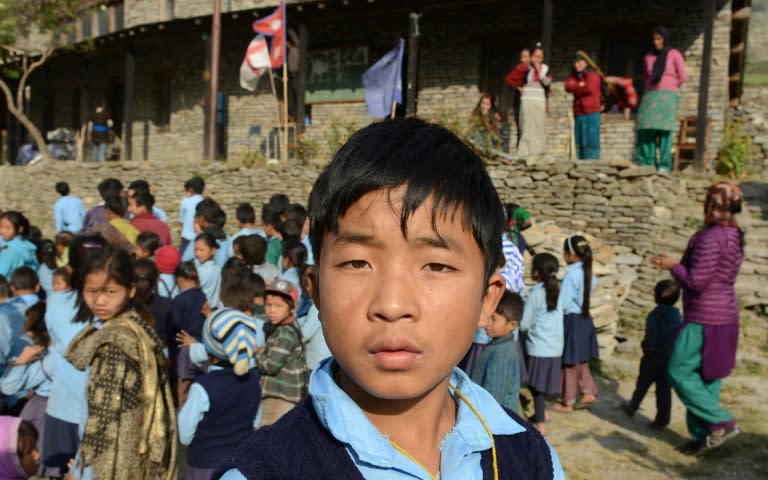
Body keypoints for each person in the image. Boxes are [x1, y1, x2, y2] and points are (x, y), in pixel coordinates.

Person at [215, 118, 564, 480]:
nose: (392, 305)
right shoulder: (263, 473)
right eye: (356, 262)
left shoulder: (532, 458)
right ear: (315, 290)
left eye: (437, 266)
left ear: (487, 300)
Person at [64, 246, 176, 480]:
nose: (99, 300)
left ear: (131, 290)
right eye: (91, 291)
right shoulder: (138, 329)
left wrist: (81, 471)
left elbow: (103, 422)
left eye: (111, 292)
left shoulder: (115, 345)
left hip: (118, 464)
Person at [649, 181, 744, 454]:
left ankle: (721, 421)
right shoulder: (734, 235)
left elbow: (697, 282)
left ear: (712, 205)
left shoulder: (710, 237)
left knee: (678, 371)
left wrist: (673, 267)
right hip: (726, 316)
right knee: (707, 376)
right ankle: (704, 438)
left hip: (704, 318)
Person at [177, 308, 262, 480]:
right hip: (239, 468)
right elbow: (256, 422)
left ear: (209, 349)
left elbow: (184, 435)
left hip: (204, 467)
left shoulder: (203, 387)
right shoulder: (254, 381)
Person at [621, 279, 681, 429]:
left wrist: (647, 347)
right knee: (664, 391)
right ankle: (662, 419)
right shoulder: (678, 318)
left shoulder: (654, 315)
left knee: (642, 385)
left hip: (652, 356)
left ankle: (632, 407)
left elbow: (651, 334)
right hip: (669, 359)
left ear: (656, 296)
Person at [520, 253, 563, 434]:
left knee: (536, 387)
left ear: (536, 273)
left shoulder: (536, 293)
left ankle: (540, 423)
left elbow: (524, 324)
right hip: (555, 347)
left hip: (538, 347)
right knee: (543, 383)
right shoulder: (558, 290)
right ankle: (543, 411)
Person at [0, 302, 53, 452]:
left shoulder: (48, 359)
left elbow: (8, 386)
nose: (27, 333)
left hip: (42, 414)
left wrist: (21, 361)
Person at [554, 235, 598, 413]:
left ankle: (568, 400)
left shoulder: (571, 274)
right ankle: (588, 392)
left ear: (571, 254)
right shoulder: (589, 272)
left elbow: (563, 303)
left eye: (565, 252)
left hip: (572, 319)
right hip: (586, 319)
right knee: (582, 360)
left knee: (569, 363)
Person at [256, 279, 308, 427]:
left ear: (292, 307)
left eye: (278, 306)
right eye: (269, 305)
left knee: (268, 436)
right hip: (286, 396)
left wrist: (258, 355)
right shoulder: (287, 327)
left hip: (280, 396)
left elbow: (271, 365)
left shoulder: (285, 333)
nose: (272, 310)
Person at [636, 26, 687, 172]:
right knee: (645, 129)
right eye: (654, 39)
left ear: (665, 39)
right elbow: (646, 77)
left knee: (665, 131)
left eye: (659, 39)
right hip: (650, 96)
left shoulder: (674, 54)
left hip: (667, 96)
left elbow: (683, 76)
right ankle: (647, 163)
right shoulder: (648, 57)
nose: (656, 42)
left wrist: (669, 86)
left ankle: (664, 165)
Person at [471, 291, 524, 414]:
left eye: (493, 319)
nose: (487, 323)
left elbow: (493, 399)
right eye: (488, 316)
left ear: (512, 325)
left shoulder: (503, 354)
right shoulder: (497, 345)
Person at [505, 42, 552, 157]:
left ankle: (538, 153)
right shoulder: (525, 68)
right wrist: (518, 87)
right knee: (527, 127)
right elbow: (509, 78)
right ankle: (525, 154)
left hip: (539, 102)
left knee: (538, 127)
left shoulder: (545, 69)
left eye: (540, 57)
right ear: (531, 57)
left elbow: (547, 83)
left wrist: (539, 71)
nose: (537, 59)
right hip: (527, 101)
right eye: (535, 56)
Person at [170, 261, 207, 405]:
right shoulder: (202, 296)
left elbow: (175, 324)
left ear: (179, 280)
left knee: (182, 386)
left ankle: (181, 415)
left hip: (184, 347)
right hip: (200, 345)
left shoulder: (179, 300)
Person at [564, 52, 602, 160]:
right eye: (575, 62)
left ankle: (592, 165)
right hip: (579, 113)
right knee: (579, 142)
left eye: (580, 62)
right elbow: (567, 86)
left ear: (586, 63)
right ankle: (580, 164)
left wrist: (576, 88)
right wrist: (579, 85)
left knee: (591, 142)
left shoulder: (592, 75)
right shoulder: (574, 76)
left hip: (591, 112)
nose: (577, 65)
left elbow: (589, 89)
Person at [0, 212, 38, 278]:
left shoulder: (8, 251)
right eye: (1, 227)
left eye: (7, 228)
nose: (2, 231)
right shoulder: (29, 246)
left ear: (20, 229)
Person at [179, 177, 205, 259]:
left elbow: (181, 221)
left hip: (187, 237)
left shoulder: (185, 201)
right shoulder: (204, 201)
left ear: (190, 190)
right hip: (200, 237)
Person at [194, 232, 221, 309]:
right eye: (195, 250)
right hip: (215, 307)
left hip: (203, 308)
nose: (197, 253)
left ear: (213, 250)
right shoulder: (218, 268)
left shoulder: (200, 271)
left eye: (201, 250)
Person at [510, 48, 531, 148]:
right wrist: (518, 87)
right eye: (522, 57)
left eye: (526, 57)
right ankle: (520, 149)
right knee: (520, 126)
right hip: (519, 101)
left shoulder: (533, 70)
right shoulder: (519, 68)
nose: (524, 60)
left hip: (531, 102)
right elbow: (509, 79)